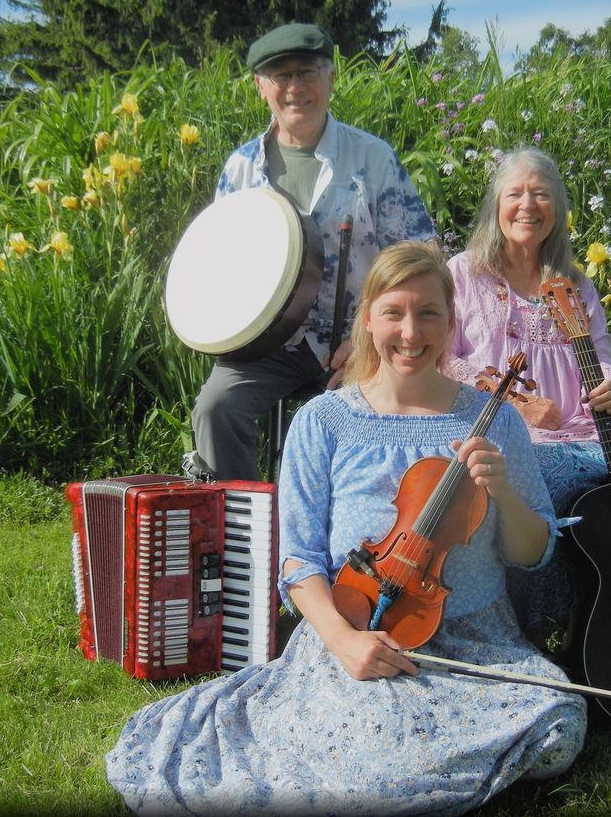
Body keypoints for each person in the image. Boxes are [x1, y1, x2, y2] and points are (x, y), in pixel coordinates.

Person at [106, 242, 586, 815]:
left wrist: (503, 492)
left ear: (451, 321)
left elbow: (532, 554)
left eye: (429, 313)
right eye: (394, 312)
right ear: (368, 319)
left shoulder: (495, 419)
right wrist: (345, 642)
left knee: (560, 730)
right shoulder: (324, 421)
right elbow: (300, 559)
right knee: (370, 744)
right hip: (359, 623)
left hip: (476, 641)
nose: (411, 332)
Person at [186, 22, 436, 483]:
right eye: (281, 76)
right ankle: (242, 533)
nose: (295, 88)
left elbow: (421, 257)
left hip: (358, 344)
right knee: (216, 408)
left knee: (371, 430)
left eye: (307, 72)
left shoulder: (372, 158)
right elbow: (218, 263)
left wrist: (369, 338)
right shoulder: (241, 168)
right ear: (261, 87)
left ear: (331, 77)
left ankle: (357, 535)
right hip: (266, 347)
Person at [443, 146, 611, 647]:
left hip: (583, 428)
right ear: (496, 205)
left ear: (557, 208)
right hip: (499, 426)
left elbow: (600, 351)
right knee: (543, 483)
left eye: (540, 193)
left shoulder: (573, 283)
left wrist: (609, 383)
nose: (527, 205)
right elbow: (444, 358)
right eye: (515, 193)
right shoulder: (464, 274)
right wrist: (513, 403)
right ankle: (532, 623)